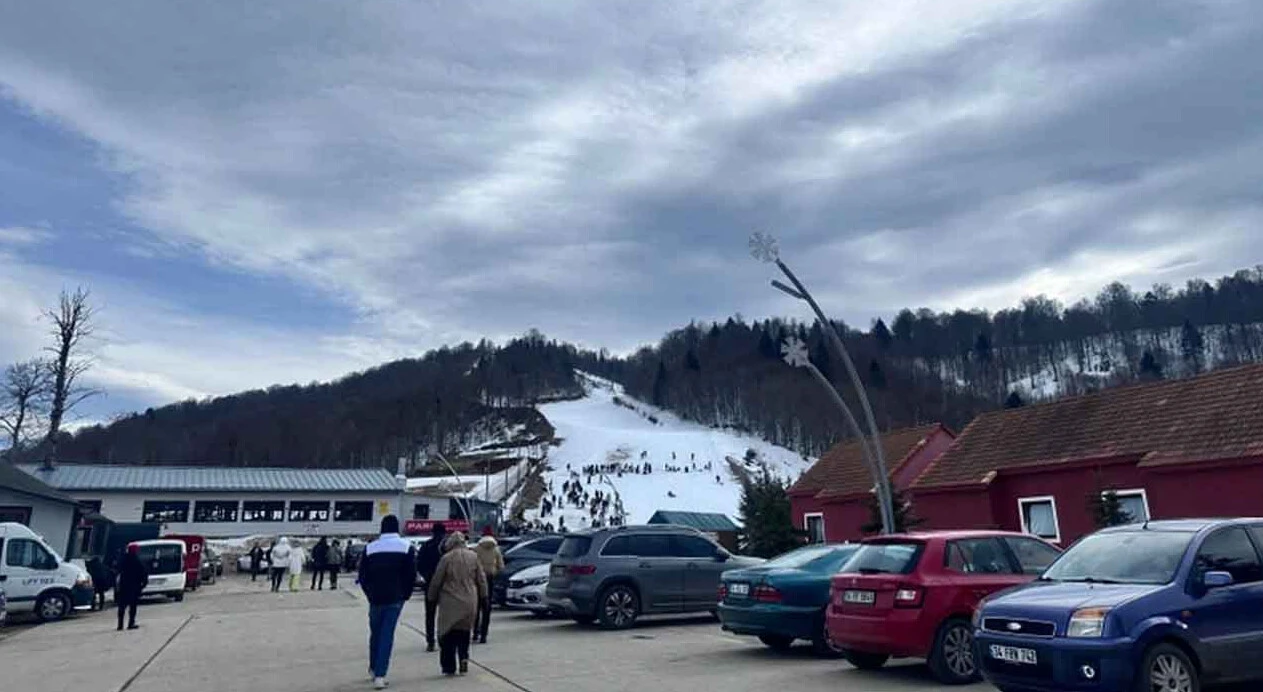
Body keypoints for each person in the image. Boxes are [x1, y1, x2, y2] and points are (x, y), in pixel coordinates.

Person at [358, 516, 416, 690]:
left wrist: (369, 593)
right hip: (395, 598)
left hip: (375, 598)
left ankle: (374, 667)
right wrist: (405, 595)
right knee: (386, 635)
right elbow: (410, 575)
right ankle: (380, 675)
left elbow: (362, 576)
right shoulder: (406, 547)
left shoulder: (370, 548)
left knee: (375, 633)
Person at [428, 532, 485, 676]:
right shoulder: (474, 557)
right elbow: (481, 579)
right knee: (464, 632)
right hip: (470, 600)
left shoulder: (446, 559)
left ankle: (449, 666)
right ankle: (464, 657)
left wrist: (431, 597)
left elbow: (437, 580)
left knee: (447, 634)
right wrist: (484, 596)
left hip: (450, 601)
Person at [414, 522, 447, 652]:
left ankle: (430, 641)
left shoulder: (426, 546)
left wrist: (427, 576)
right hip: (445, 584)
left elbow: (419, 564)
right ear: (444, 533)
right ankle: (443, 638)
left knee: (430, 613)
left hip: (430, 583)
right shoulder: (446, 546)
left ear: (432, 532)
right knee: (445, 613)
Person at [473, 532, 504, 644]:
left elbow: (473, 564)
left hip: (477, 580)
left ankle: (475, 631)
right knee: (486, 607)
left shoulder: (477, 549)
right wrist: (494, 571)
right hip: (490, 579)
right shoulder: (496, 550)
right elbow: (501, 566)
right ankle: (484, 635)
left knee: (476, 606)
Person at [115, 544, 148, 631]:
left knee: (122, 606)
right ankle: (131, 623)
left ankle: (120, 624)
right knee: (133, 606)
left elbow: (117, 570)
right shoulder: (137, 561)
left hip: (123, 586)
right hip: (134, 586)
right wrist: (143, 584)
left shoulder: (123, 560)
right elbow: (143, 572)